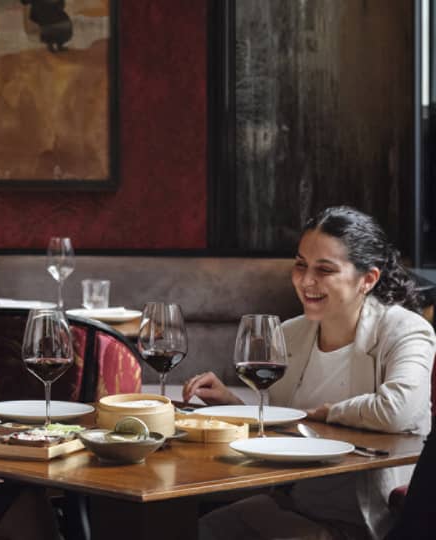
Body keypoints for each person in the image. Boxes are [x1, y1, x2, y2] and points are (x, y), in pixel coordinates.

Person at [182, 206, 436, 540]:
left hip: (368, 521)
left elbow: (396, 410)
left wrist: (329, 412)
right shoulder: (290, 333)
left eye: (324, 270)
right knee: (191, 530)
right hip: (292, 505)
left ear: (368, 279)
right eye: (301, 264)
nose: (306, 280)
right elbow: (289, 425)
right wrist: (230, 404)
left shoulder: (405, 330)